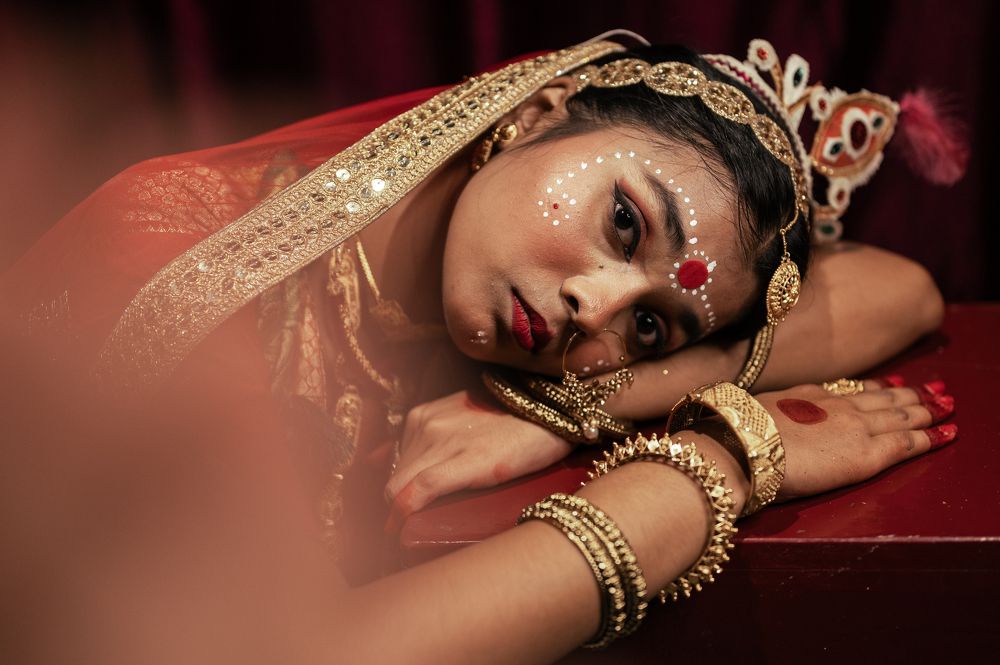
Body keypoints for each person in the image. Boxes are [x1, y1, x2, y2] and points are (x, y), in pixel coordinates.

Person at [0, 33, 955, 662]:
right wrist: (718, 458)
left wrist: (571, 403)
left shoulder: (483, 298)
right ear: (533, 114)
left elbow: (902, 293)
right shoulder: (185, 270)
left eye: (651, 325)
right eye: (625, 223)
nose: (598, 311)